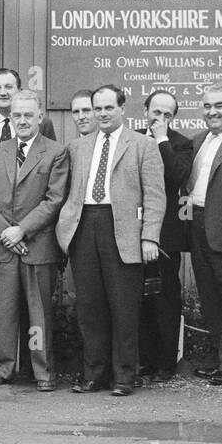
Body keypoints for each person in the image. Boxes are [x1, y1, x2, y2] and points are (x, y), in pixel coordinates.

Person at [55, 85, 164, 396]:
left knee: (124, 307)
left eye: (107, 108)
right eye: (96, 108)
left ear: (122, 108)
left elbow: (156, 196)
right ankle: (94, 374)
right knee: (90, 307)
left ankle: (124, 377)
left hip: (124, 230)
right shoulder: (78, 147)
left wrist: (150, 237)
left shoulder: (143, 145)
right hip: (84, 226)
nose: (101, 114)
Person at [0, 90, 69, 391]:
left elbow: (54, 200)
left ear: (40, 117)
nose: (22, 120)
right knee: (2, 311)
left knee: (37, 313)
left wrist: (22, 230)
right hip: (3, 245)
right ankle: (3, 366)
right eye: (16, 115)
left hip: (36, 246)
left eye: (28, 115)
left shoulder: (55, 152)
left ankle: (41, 369)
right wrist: (6, 231)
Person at [184, 83, 222, 385]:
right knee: (209, 298)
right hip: (197, 225)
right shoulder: (198, 141)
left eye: (219, 105)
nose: (212, 112)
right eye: (207, 106)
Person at [137, 90, 194, 381]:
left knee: (164, 299)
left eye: (167, 115)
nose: (160, 118)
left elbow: (177, 176)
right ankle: (144, 360)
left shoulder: (181, 144)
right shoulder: (130, 137)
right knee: (139, 299)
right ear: (145, 110)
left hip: (165, 235)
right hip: (131, 233)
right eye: (155, 112)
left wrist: (161, 140)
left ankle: (165, 364)